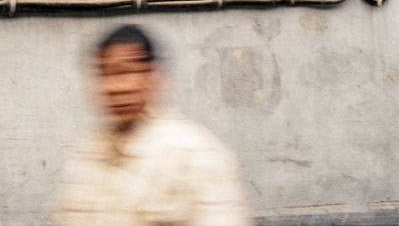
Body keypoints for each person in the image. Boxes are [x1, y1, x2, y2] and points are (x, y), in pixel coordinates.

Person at [50, 24, 253, 225]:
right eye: (105, 74)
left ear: (154, 77)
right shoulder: (90, 153)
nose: (114, 87)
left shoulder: (194, 155)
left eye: (125, 72)